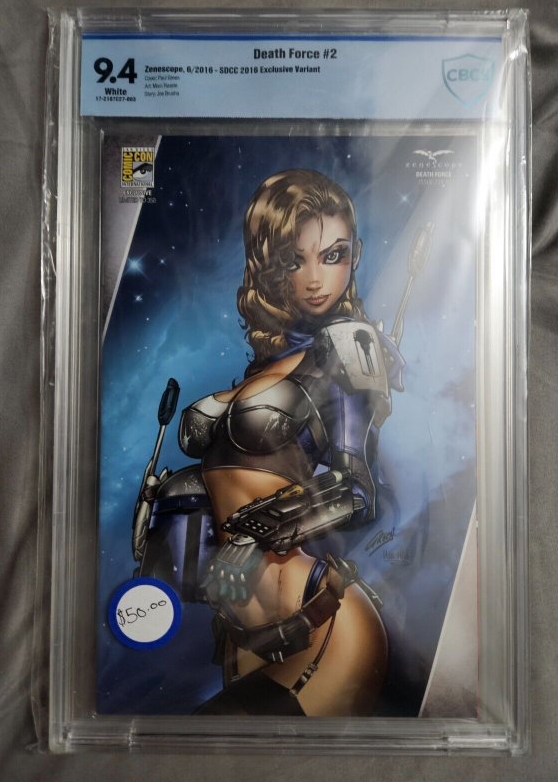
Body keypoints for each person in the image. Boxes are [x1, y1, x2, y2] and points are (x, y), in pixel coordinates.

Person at [139, 169, 404, 716]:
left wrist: (256, 535)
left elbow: (357, 492)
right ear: (267, 263)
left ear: (354, 255)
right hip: (251, 636)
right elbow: (239, 477)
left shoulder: (346, 352)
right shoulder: (265, 367)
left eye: (333, 255)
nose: (316, 278)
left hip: (321, 623)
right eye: (294, 259)